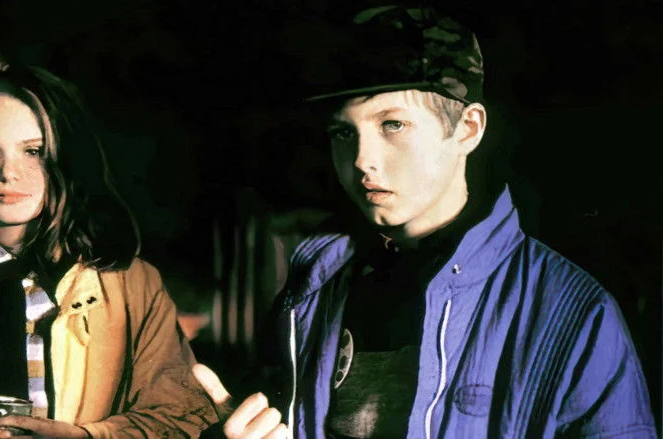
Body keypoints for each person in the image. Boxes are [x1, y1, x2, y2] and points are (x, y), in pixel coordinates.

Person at [192, 5, 657, 438]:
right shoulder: (314, 290)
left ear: (468, 128)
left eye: (392, 125)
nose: (362, 160)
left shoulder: (570, 310)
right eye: (343, 132)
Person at [0, 58, 217, 438]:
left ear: (65, 155)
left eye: (34, 151)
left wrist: (87, 438)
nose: (9, 173)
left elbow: (179, 414)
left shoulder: (135, 287)